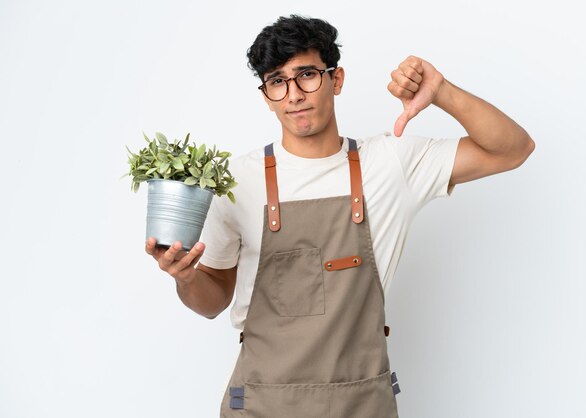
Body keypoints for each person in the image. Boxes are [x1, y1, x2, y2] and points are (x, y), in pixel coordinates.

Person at [145, 14, 534, 418]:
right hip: (262, 405)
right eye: (277, 81)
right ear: (266, 95)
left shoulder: (391, 162)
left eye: (307, 75)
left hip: (361, 405)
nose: (294, 94)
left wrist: (442, 92)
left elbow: (513, 148)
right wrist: (187, 278)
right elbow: (212, 302)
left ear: (337, 79)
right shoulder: (237, 182)